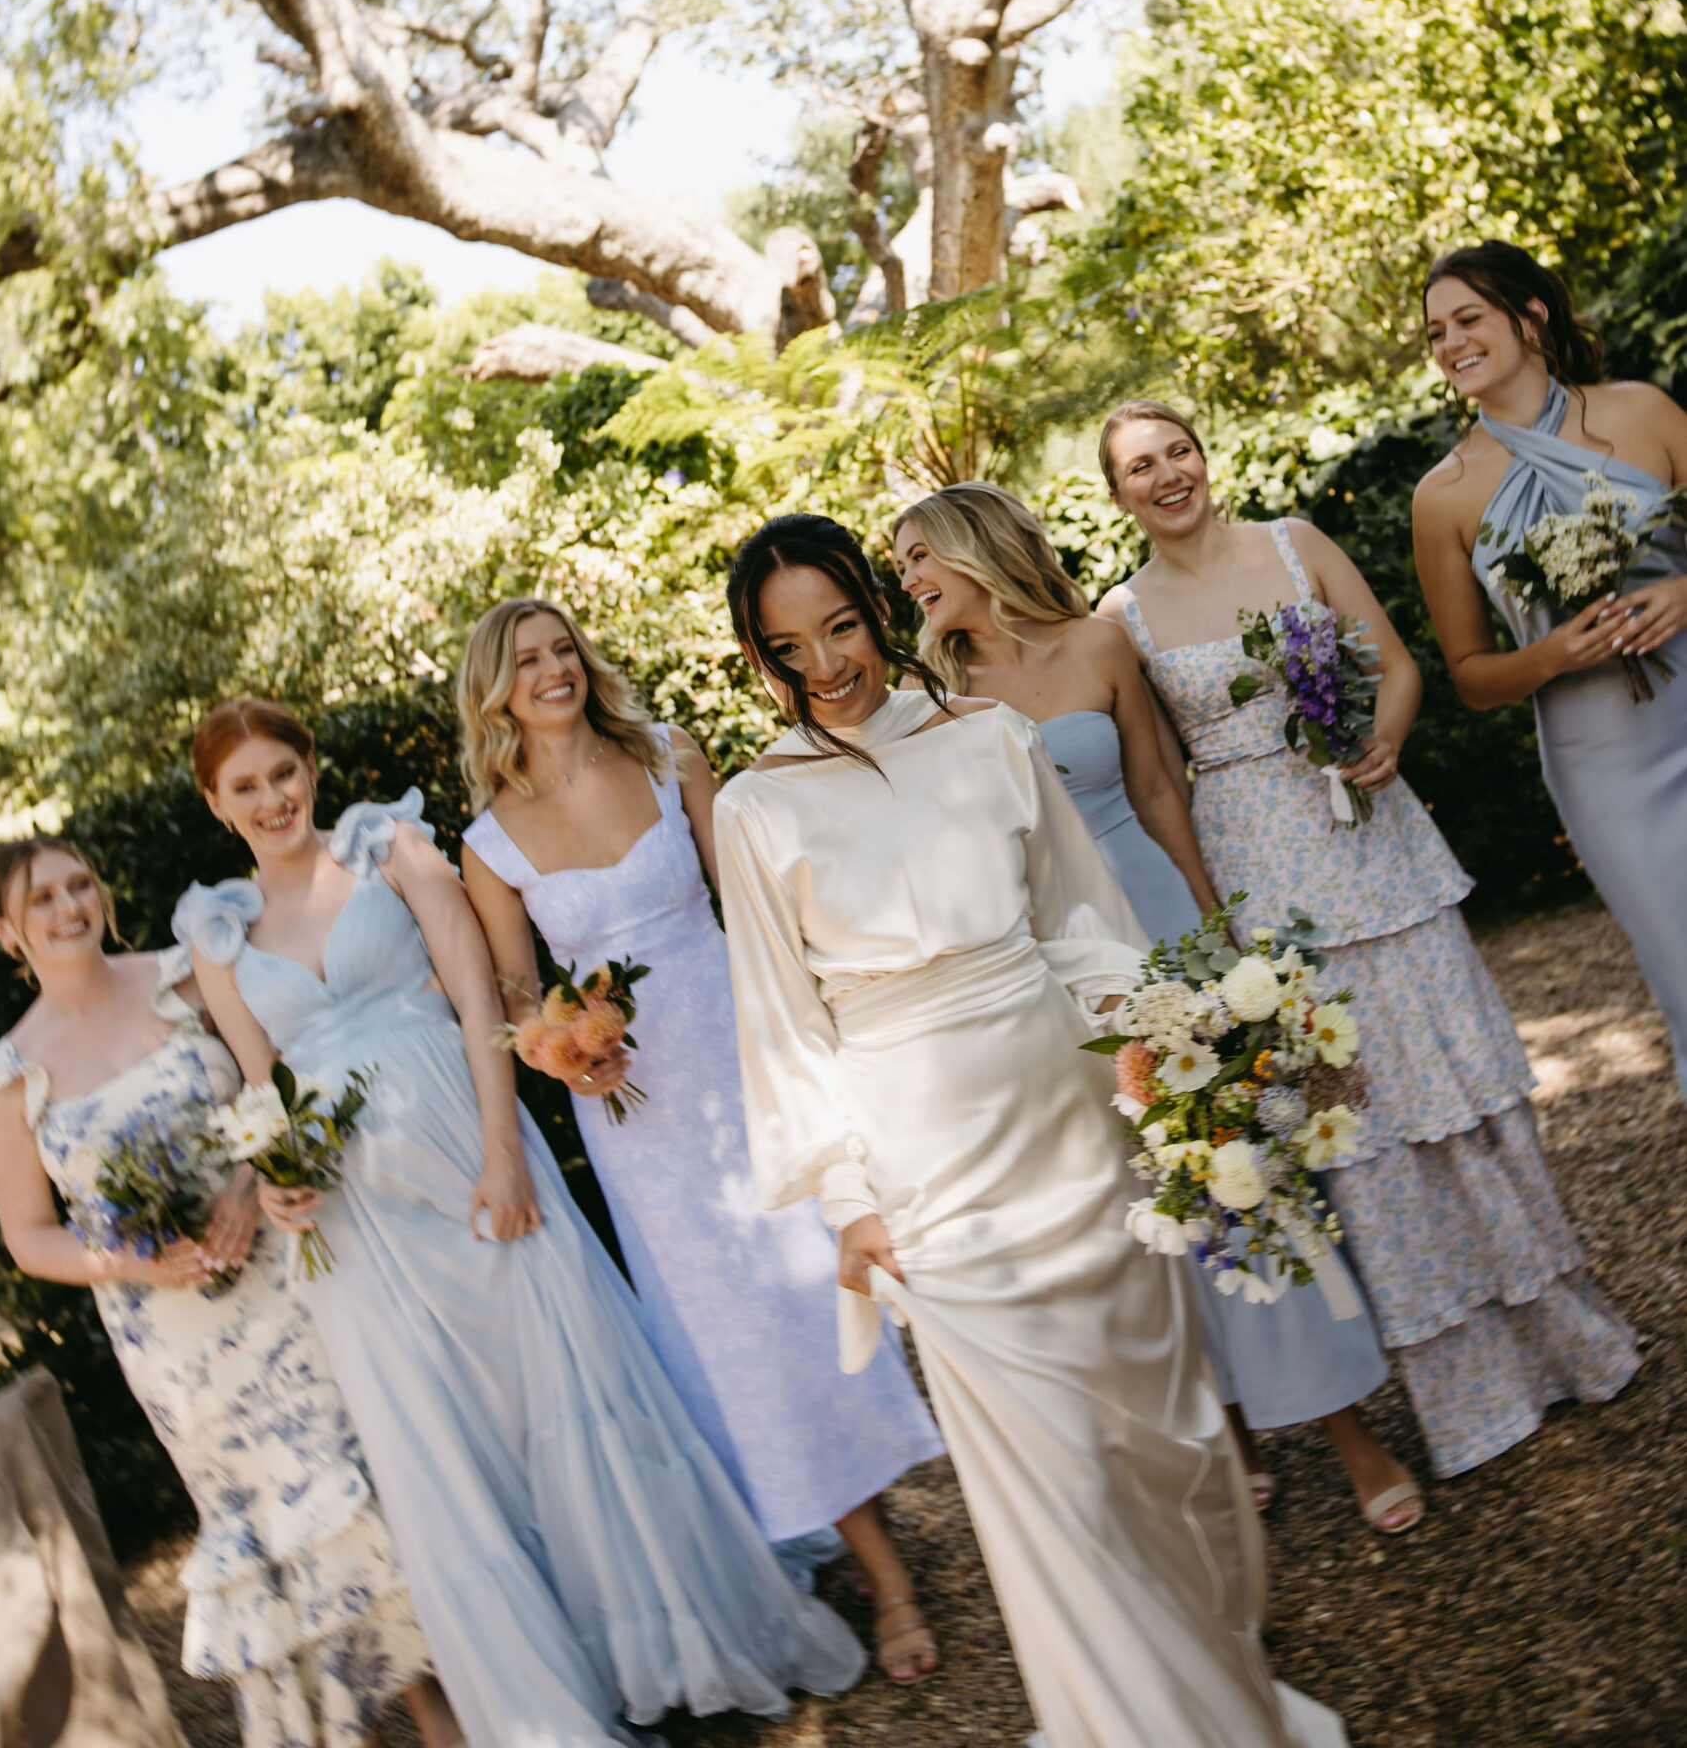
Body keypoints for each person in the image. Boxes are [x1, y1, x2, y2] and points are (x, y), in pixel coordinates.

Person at [713, 512, 1346, 1748]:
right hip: (931, 1181)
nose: (828, 665)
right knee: (1052, 1485)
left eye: (843, 625)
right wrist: (848, 1198)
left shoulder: (993, 737)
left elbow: (1081, 925)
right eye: (791, 649)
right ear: (761, 661)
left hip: (1078, 1137)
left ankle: (1218, 1689)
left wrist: (1165, 1058)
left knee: (1163, 1443)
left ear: (878, 611)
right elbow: (782, 1028)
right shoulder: (752, 808)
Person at [171, 696, 864, 1748]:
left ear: (309, 769)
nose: (271, 798)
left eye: (282, 772)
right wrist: (278, 1185)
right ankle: (553, 1692)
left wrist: (505, 1149)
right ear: (217, 806)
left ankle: (665, 1639)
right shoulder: (221, 935)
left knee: (564, 1383)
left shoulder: (389, 847)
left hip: (469, 1157)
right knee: (454, 1442)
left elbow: (478, 999)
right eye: (245, 787)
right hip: (360, 1230)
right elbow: (262, 1092)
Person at [1097, 401, 1640, 1495]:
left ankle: (1571, 1340)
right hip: (1265, 880)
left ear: (1206, 455)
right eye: (1141, 468)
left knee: (1470, 1089)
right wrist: (1213, 925)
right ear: (1119, 496)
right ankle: (1468, 1394)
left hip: (1379, 842)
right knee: (1366, 1133)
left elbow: (1396, 664)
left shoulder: (1298, 542)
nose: (1169, 476)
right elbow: (1157, 781)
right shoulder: (1125, 617)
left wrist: (1384, 735)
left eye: (1179, 452)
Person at [455, 595, 945, 1682]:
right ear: (496, 690)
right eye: (528, 660)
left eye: (565, 649)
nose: (554, 669)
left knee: (850, 1260)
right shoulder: (488, 842)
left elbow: (754, 899)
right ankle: (888, 1573)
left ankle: (978, 1460)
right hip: (641, 1114)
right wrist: (560, 1051)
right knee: (751, 1331)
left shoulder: (672, 755)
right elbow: (514, 995)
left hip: (744, 1038)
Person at [890, 481, 1389, 1516]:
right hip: (1061, 958)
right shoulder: (933, 705)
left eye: (916, 559)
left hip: (1157, 915)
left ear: (973, 550)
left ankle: (1348, 1424)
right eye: (901, 569)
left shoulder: (1098, 643)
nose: (909, 582)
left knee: (1252, 1154)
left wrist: (1217, 938)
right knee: (1155, 1196)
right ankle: (1231, 1428)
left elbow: (1161, 789)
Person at [0, 834, 450, 1748]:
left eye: (81, 884)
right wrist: (131, 1262)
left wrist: (247, 1185)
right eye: (42, 899)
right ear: (6, 931)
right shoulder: (4, 1078)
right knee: (287, 1527)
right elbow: (31, 1238)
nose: (71, 906)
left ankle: (450, 1712)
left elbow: (273, 1088)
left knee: (368, 1486)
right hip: (179, 1347)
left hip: (289, 1277)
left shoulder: (183, 978)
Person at [1413, 238, 1687, 1104]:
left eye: (1467, 319)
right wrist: (1548, 655)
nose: (1450, 342)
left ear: (1529, 317)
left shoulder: (1640, 412)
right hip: (1600, 759)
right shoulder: (1443, 493)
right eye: (1433, 333)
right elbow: (1467, 674)